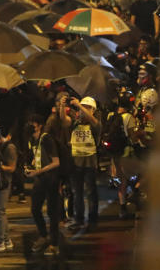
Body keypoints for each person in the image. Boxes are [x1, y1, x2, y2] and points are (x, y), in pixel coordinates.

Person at [27, 115, 61, 255]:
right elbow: (37, 158)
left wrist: (37, 171)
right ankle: (44, 235)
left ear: (39, 125)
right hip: (40, 179)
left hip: (51, 179)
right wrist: (31, 167)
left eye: (33, 123)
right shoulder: (32, 140)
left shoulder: (46, 138)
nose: (30, 126)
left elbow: (56, 162)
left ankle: (54, 244)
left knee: (53, 212)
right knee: (35, 209)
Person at [68, 96, 101, 231]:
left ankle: (93, 220)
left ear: (92, 110)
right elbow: (64, 121)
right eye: (82, 108)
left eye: (87, 108)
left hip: (90, 163)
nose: (83, 111)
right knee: (78, 193)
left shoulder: (95, 124)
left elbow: (94, 121)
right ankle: (79, 219)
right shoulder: (75, 123)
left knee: (91, 192)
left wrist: (79, 105)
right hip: (75, 163)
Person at [0, 127, 16, 252]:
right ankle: (6, 240)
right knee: (0, 211)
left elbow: (12, 168)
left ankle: (1, 241)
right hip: (0, 182)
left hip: (5, 182)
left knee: (0, 211)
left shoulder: (10, 148)